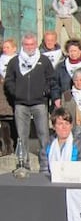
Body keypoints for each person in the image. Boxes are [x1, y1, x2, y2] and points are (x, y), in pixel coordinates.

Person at [4, 32, 54, 169]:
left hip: (39, 103)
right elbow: (9, 80)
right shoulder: (15, 62)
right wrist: (16, 93)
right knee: (22, 135)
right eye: (26, 44)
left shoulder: (43, 60)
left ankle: (46, 162)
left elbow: (51, 79)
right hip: (21, 104)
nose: (29, 46)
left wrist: (45, 92)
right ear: (22, 45)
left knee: (43, 134)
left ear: (35, 44)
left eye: (32, 44)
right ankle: (23, 163)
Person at [39, 107, 81, 173]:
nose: (64, 127)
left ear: (71, 126)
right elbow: (44, 171)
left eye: (67, 124)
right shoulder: (47, 146)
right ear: (54, 126)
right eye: (60, 124)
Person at [0, 38, 18, 155]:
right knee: (4, 121)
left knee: (15, 121)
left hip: (14, 93)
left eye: (8, 47)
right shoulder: (0, 60)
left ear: (14, 48)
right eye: (4, 47)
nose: (5, 50)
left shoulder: (18, 60)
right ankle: (6, 146)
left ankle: (16, 145)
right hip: (2, 95)